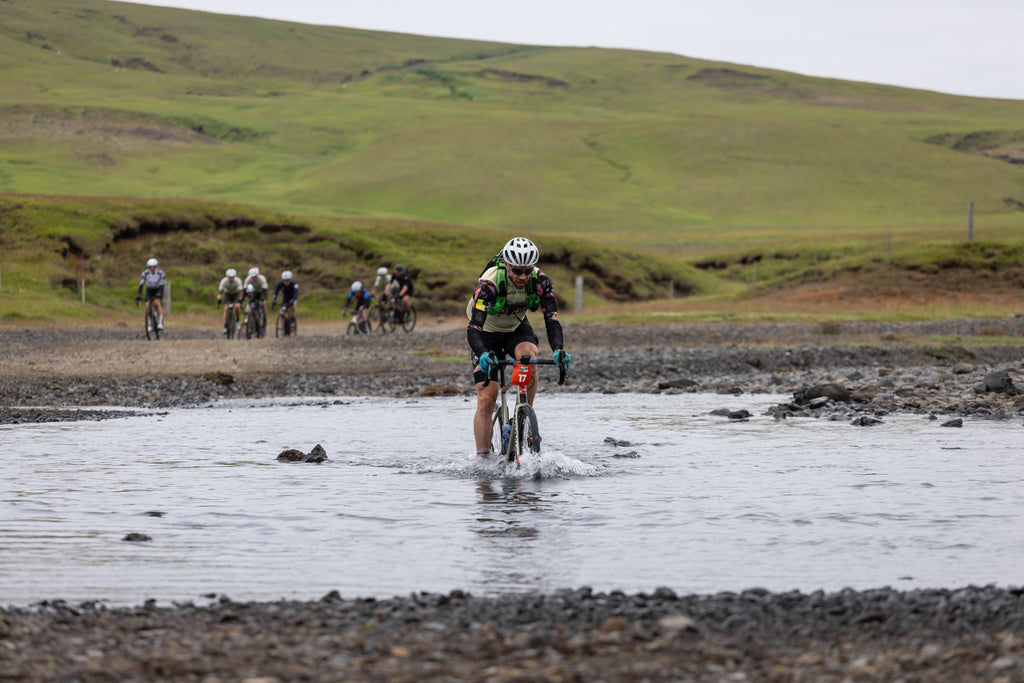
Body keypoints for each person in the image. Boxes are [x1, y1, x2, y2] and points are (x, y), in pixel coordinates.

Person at [466, 237, 570, 457]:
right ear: (506, 265)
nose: (523, 277)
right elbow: (473, 327)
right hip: (485, 331)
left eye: (527, 271)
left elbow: (552, 320)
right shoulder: (490, 283)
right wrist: (482, 353)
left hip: (515, 328)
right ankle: (483, 458)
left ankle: (523, 413)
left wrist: (558, 349)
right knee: (487, 398)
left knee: (529, 357)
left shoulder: (541, 281)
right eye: (517, 271)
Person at [136, 258, 165, 330]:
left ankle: (160, 322)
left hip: (158, 289)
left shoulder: (160, 273)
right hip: (149, 290)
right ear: (148, 267)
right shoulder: (145, 273)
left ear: (156, 266)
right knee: (147, 306)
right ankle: (150, 322)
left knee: (157, 303)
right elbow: (141, 284)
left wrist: (159, 294)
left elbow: (162, 285)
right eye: (150, 267)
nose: (152, 269)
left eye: (154, 267)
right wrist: (139, 294)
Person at [217, 268, 244, 336]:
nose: (231, 279)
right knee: (226, 309)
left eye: (232, 277)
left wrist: (240, 300)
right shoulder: (224, 281)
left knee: (237, 307)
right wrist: (219, 299)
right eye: (230, 277)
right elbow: (220, 292)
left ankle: (237, 321)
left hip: (236, 294)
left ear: (234, 277)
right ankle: (225, 326)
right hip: (227, 295)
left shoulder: (238, 281)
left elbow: (240, 292)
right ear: (227, 277)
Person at [243, 266, 269, 334]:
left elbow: (265, 291)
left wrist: (263, 298)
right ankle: (251, 323)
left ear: (258, 275)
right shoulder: (247, 280)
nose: (254, 278)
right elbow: (244, 291)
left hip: (261, 292)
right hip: (253, 293)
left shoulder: (262, 279)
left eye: (255, 277)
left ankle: (264, 317)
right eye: (252, 277)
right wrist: (242, 300)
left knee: (262, 303)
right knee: (250, 307)